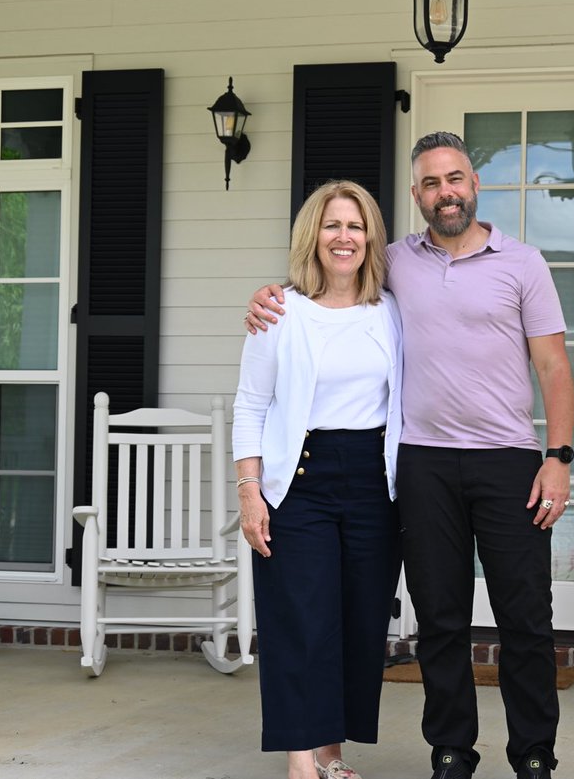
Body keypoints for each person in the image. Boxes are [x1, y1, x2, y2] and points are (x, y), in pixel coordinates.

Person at [246, 132, 574, 779]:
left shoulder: (524, 264)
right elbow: (330, 278)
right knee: (441, 617)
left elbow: (553, 364)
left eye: (454, 178)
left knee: (526, 616)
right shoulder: (395, 261)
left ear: (474, 184)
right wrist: (268, 297)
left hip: (508, 459)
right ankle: (452, 749)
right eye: (430, 183)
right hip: (421, 463)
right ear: (417, 194)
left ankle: (534, 751)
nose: (444, 192)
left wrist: (558, 455)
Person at [232, 180, 403, 779]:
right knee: (299, 618)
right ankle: (301, 760)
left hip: (373, 482)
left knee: (358, 621)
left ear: (370, 237)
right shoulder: (280, 311)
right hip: (296, 482)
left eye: (355, 226)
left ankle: (332, 752)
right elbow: (250, 407)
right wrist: (249, 492)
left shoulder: (391, 310)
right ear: (313, 234)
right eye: (333, 225)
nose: (344, 237)